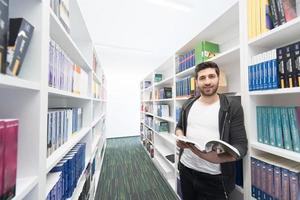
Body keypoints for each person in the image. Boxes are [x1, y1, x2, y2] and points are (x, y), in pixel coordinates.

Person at [176, 61, 248, 200]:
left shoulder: (232, 107)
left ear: (218, 78)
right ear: (196, 82)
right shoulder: (188, 104)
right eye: (202, 78)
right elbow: (179, 127)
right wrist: (180, 137)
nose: (207, 82)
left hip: (215, 179)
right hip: (186, 169)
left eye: (211, 76)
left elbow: (241, 147)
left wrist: (220, 158)